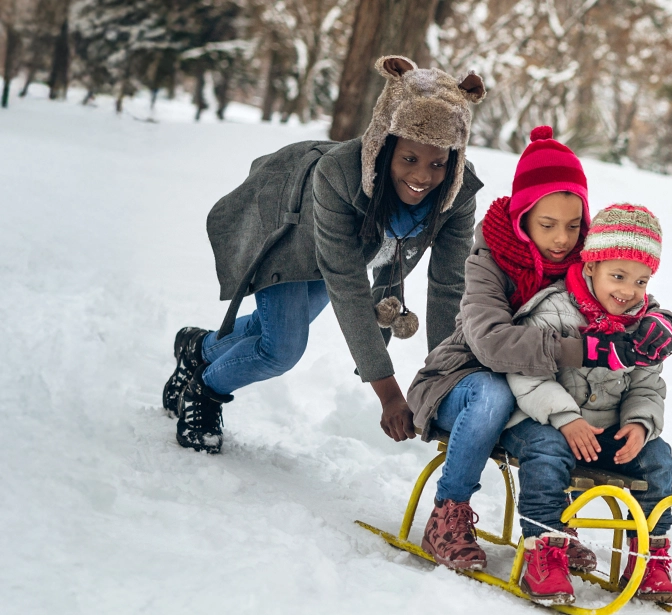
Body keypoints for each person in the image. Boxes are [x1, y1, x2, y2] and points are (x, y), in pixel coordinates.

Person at [162, 56, 485, 454]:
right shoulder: (338, 174)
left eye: (438, 163)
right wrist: (388, 394)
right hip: (290, 232)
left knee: (272, 326)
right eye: (409, 159)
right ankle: (205, 391)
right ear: (386, 148)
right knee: (279, 348)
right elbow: (347, 287)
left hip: (343, 248)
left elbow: (448, 288)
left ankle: (198, 348)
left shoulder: (456, 191)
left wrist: (444, 380)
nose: (422, 176)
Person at [405, 128, 672, 574]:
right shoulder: (488, 260)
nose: (561, 239)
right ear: (522, 217)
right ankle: (448, 512)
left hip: (538, 398)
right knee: (496, 392)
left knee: (619, 443)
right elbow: (493, 343)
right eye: (548, 225)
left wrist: (662, 323)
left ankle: (569, 530)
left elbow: (626, 285)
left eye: (574, 226)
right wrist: (590, 350)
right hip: (465, 383)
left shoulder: (586, 261)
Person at [500, 203, 672, 606]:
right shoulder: (553, 311)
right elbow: (527, 373)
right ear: (591, 265)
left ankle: (646, 555)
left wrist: (639, 424)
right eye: (618, 275)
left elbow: (648, 384)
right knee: (546, 451)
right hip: (541, 421)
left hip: (604, 432)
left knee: (658, 458)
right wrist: (564, 418)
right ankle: (544, 550)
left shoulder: (644, 327)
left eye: (640, 280)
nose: (627, 291)